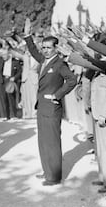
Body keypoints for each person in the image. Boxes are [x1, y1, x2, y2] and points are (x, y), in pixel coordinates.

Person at [24, 19, 77, 186]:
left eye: (48, 48)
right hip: (42, 107)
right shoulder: (45, 60)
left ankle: (54, 176)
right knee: (43, 141)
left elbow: (72, 80)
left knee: (52, 142)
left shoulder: (59, 63)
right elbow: (33, 51)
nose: (45, 51)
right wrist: (27, 36)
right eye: (44, 48)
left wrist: (58, 95)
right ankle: (47, 170)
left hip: (52, 107)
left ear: (55, 48)